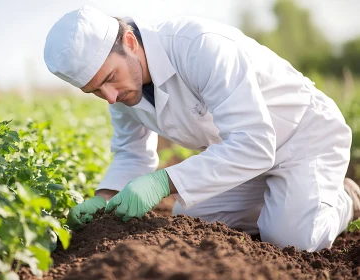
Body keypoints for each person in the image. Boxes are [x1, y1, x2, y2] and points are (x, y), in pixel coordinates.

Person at [43, 6, 360, 252]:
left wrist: (164, 182)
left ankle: (345, 198)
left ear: (129, 42)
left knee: (291, 239)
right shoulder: (121, 91)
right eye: (96, 91)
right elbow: (131, 153)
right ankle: (288, 197)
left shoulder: (197, 46)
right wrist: (104, 198)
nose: (109, 98)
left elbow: (254, 141)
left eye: (109, 79)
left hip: (303, 136)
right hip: (244, 156)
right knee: (191, 221)